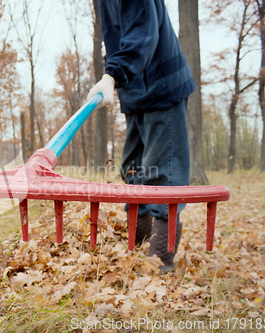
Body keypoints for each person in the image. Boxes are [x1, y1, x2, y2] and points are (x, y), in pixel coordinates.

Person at [87, 0, 195, 271]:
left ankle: (160, 263)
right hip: (134, 92)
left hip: (162, 84)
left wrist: (113, 74)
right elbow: (116, 40)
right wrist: (111, 75)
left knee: (163, 176)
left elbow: (143, 34)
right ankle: (138, 244)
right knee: (133, 171)